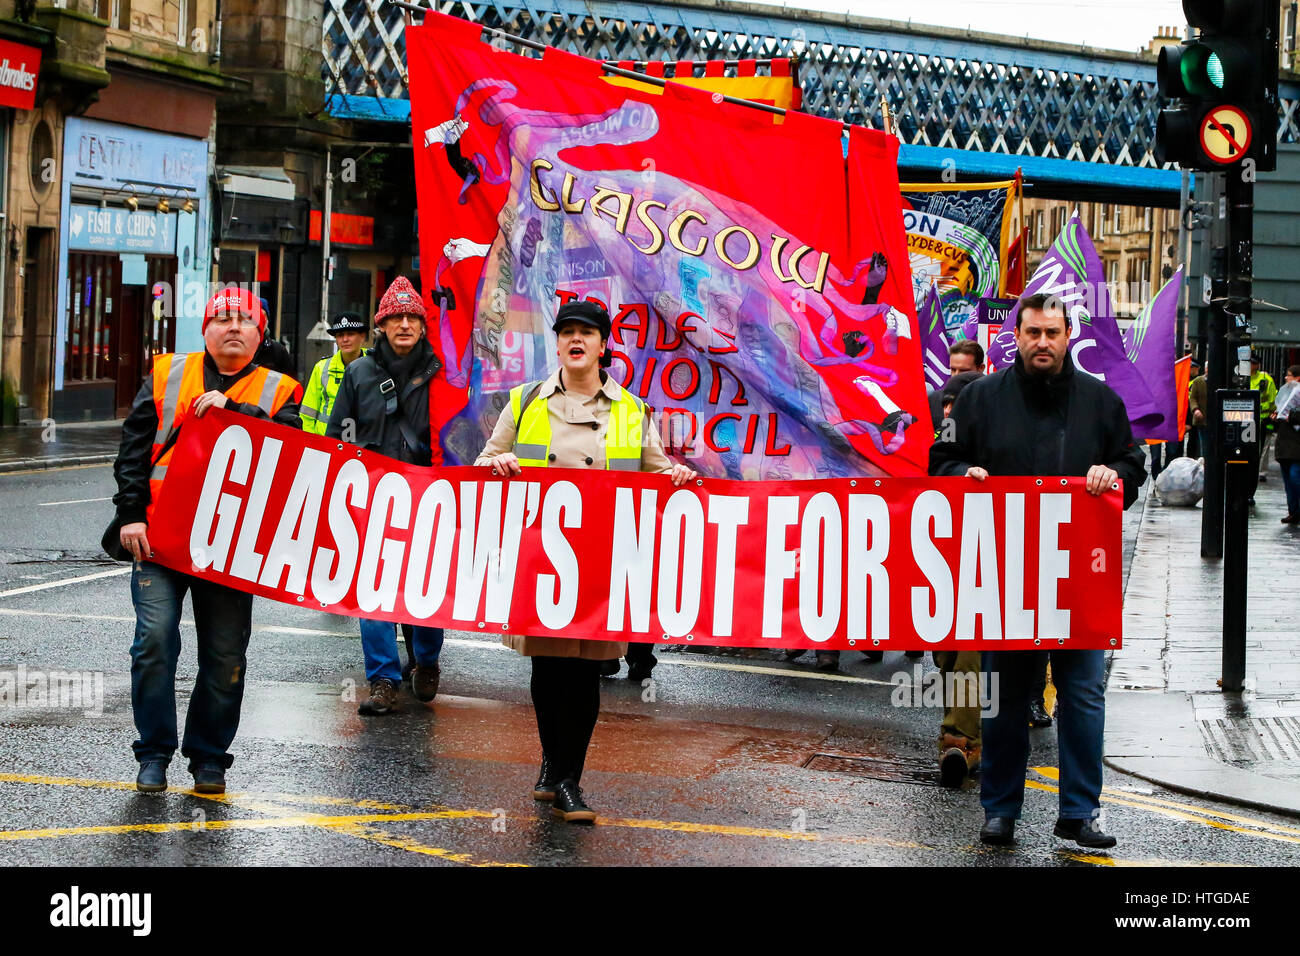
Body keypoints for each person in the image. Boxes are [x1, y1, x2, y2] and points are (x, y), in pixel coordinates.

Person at [931, 291, 1146, 849]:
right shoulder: (978, 399)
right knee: (1003, 697)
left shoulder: (1101, 402)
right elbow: (940, 461)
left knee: (1083, 695)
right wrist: (963, 474)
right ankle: (1000, 811)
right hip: (1008, 576)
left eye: (1053, 334)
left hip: (1079, 580)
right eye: (1033, 333)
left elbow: (1132, 464)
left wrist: (1111, 473)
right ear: (1017, 337)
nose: (1043, 343)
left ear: (1067, 335)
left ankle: (1079, 814)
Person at [475, 300, 696, 823]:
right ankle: (553, 765)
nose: (576, 340)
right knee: (548, 671)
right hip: (543, 565)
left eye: (587, 333)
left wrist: (679, 475)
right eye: (567, 332)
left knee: (585, 676)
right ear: (557, 344)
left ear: (602, 346)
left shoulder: (631, 408)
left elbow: (657, 473)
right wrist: (498, 462)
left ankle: (568, 779)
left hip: (602, 568)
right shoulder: (525, 400)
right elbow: (483, 463)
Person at [112, 288, 302, 794]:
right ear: (205, 329)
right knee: (153, 643)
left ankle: (209, 757)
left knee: (224, 656)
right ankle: (153, 752)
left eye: (244, 320)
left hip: (230, 547)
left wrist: (235, 410)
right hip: (159, 541)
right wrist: (131, 515)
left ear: (260, 334)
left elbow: (291, 453)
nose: (233, 326)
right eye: (222, 318)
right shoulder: (167, 374)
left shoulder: (281, 389)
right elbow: (133, 450)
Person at [327, 277, 446, 716]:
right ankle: (382, 679)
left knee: (426, 585)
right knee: (374, 592)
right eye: (395, 316)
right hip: (373, 497)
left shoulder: (443, 370)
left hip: (431, 495)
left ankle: (427, 661)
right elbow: (341, 431)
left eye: (413, 316)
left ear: (423, 324)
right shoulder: (359, 372)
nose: (404, 323)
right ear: (381, 324)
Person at [930, 369, 985, 787]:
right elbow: (938, 464)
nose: (947, 409)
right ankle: (969, 730)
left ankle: (960, 737)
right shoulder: (943, 428)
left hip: (988, 554)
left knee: (969, 647)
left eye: (955, 403)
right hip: (943, 552)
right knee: (946, 649)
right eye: (946, 402)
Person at [299, 312, 369, 434]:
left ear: (362, 336)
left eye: (350, 334)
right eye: (340, 335)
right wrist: (311, 445)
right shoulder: (322, 368)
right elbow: (307, 415)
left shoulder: (375, 366)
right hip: (326, 445)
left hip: (363, 446)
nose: (345, 339)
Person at [1274, 365, 1300, 524]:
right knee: (1289, 482)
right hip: (1284, 448)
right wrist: (1276, 416)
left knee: (1295, 477)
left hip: (1296, 447)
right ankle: (1294, 511)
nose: (1286, 378)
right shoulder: (1286, 394)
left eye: (1289, 375)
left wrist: (1292, 417)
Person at [255, 297, 297, 377]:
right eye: (256, 316)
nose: (259, 321)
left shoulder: (278, 351)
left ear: (267, 320)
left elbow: (290, 383)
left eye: (262, 316)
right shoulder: (237, 347)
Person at [1252, 353, 1278, 481]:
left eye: (1253, 363)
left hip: (1265, 418)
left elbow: (1273, 399)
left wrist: (1273, 413)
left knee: (1265, 445)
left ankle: (1261, 471)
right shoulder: (1241, 378)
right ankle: (1252, 469)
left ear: (1257, 365)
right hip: (1247, 420)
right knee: (1251, 445)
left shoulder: (1266, 379)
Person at [1189, 362, 1209, 460]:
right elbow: (1192, 398)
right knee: (1203, 445)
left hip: (1215, 420)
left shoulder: (1220, 381)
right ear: (1205, 369)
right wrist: (1195, 409)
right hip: (1202, 420)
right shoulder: (1198, 381)